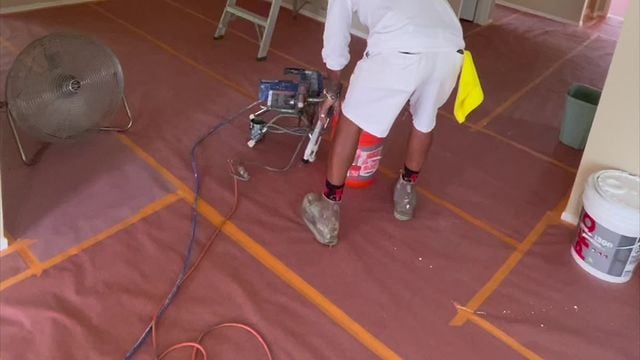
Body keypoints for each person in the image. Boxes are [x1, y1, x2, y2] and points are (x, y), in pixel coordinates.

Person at [301, 0, 466, 246]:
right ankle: (406, 195)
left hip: (400, 46)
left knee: (351, 118)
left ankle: (328, 211)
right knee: (425, 117)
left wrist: (333, 86)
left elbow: (336, 37)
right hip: (451, 48)